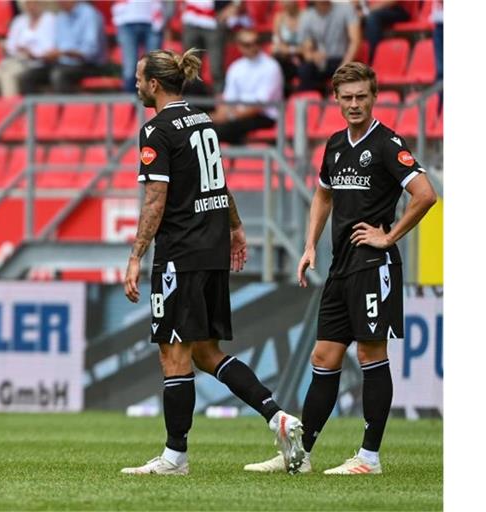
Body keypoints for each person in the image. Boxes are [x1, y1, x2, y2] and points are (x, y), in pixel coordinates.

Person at [244, 62, 437, 475]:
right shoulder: (334, 145)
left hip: (373, 265)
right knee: (324, 355)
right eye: (346, 97)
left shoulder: (387, 143)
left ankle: (369, 458)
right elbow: (322, 195)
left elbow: (425, 194)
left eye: (361, 96)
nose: (354, 104)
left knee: (370, 354)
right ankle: (300, 455)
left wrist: (389, 237)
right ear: (335, 99)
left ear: (374, 96)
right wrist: (310, 245)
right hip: (340, 266)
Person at [120, 48, 305, 476]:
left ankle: (174, 456)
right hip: (211, 247)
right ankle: (279, 417)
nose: (135, 84)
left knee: (173, 354)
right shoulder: (203, 121)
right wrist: (236, 229)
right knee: (206, 352)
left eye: (138, 78)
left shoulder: (157, 130)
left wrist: (135, 256)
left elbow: (155, 199)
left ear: (153, 84)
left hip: (180, 253)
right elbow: (218, 182)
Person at [19, 0, 107, 94]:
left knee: (59, 75)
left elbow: (90, 52)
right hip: (63, 64)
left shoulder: (89, 14)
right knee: (27, 77)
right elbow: (58, 47)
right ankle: (35, 108)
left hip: (88, 65)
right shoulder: (61, 16)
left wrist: (64, 53)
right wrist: (47, 55)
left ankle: (69, 108)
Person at [213, 28, 283, 145]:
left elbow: (260, 105)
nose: (253, 47)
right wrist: (221, 115)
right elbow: (229, 99)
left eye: (256, 42)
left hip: (264, 116)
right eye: (248, 44)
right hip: (239, 114)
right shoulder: (235, 67)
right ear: (239, 46)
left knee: (222, 130)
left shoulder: (271, 67)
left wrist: (230, 116)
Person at [0, 0, 56, 104]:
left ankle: (11, 114)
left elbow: (49, 47)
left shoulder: (50, 20)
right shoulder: (19, 20)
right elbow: (11, 44)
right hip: (14, 59)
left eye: (34, 3)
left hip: (35, 62)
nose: (32, 6)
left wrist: (32, 52)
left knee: (7, 77)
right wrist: (7, 47)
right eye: (29, 3)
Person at [297, 0, 360, 93]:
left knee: (349, 74)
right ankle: (313, 102)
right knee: (304, 71)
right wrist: (313, 55)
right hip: (320, 62)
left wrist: (344, 66)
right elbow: (305, 49)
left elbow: (355, 41)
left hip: (341, 59)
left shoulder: (346, 8)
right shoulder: (306, 16)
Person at [112, 0, 164, 93]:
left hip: (153, 20)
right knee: (130, 69)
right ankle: (130, 105)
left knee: (154, 68)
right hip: (126, 20)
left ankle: (153, 104)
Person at [271, 0, 302, 97]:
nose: (286, 3)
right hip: (286, 58)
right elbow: (277, 45)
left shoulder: (305, 16)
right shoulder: (279, 18)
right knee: (277, 61)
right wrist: (293, 51)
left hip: (303, 57)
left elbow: (307, 46)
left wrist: (288, 49)